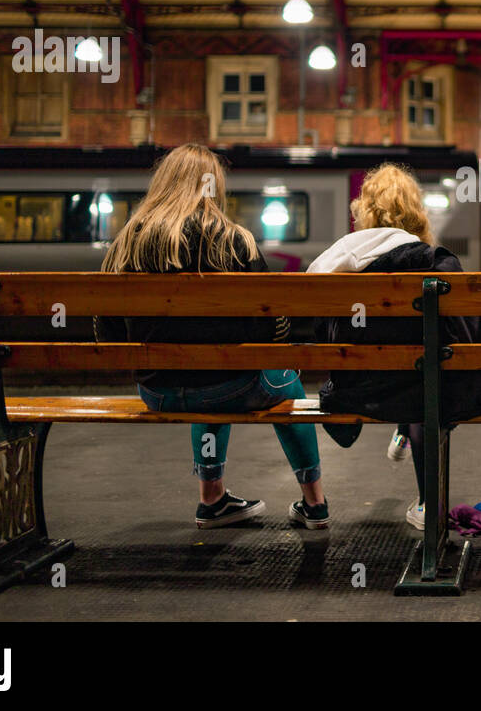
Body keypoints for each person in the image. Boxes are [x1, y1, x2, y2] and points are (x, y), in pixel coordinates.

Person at [94, 143, 329, 530]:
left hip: (157, 391)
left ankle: (212, 498)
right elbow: (274, 326)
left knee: (204, 373)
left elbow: (107, 332)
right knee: (279, 378)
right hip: (226, 384)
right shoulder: (235, 240)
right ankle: (314, 503)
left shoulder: (127, 242)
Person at [308, 162, 481, 530]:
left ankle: (403, 430)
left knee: (410, 376)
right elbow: (464, 335)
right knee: (425, 381)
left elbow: (319, 328)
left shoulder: (335, 262)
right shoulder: (435, 262)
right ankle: (427, 503)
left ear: (364, 211)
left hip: (358, 392)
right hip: (425, 393)